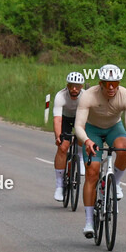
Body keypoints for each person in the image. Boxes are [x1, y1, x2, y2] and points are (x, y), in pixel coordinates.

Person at [74, 64, 126, 238]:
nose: (111, 87)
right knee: (92, 173)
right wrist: (87, 141)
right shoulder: (88, 96)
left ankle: (115, 183)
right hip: (92, 130)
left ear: (118, 82)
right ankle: (89, 221)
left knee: (124, 148)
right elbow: (78, 126)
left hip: (114, 128)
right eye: (107, 83)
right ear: (100, 83)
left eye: (114, 83)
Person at [53, 71, 85, 202]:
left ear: (81, 86)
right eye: (71, 86)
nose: (74, 89)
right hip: (64, 119)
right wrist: (58, 137)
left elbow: (88, 118)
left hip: (80, 118)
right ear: (67, 85)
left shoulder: (85, 96)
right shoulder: (60, 96)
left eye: (77, 86)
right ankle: (59, 185)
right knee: (63, 147)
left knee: (82, 137)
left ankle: (80, 158)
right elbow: (57, 120)